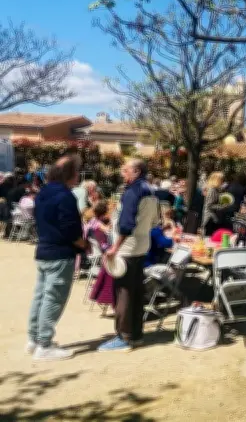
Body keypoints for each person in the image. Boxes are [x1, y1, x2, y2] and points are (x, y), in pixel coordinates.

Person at [27, 155, 88, 361]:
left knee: (40, 296)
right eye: (76, 171)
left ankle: (34, 339)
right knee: (53, 299)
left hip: (44, 250)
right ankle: (44, 344)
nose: (78, 175)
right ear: (69, 174)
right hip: (60, 253)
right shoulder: (65, 196)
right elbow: (70, 229)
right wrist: (83, 244)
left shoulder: (43, 193)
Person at [98, 158, 159, 352]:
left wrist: (114, 248)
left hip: (127, 248)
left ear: (136, 171)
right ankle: (136, 334)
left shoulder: (132, 192)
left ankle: (123, 337)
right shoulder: (151, 191)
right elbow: (155, 221)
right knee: (136, 292)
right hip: (141, 245)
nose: (122, 173)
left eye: (125, 170)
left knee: (123, 292)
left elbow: (126, 224)